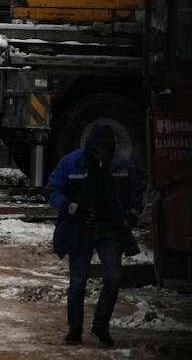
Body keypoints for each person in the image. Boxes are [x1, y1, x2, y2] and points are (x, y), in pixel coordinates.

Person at [43, 123, 143, 348]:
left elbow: (136, 191)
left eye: (104, 152)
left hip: (109, 230)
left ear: (110, 150)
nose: (101, 156)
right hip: (79, 231)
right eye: (97, 151)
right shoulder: (70, 163)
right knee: (77, 283)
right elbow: (51, 191)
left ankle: (101, 326)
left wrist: (132, 213)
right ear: (90, 149)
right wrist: (72, 207)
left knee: (114, 278)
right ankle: (74, 330)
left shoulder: (120, 166)